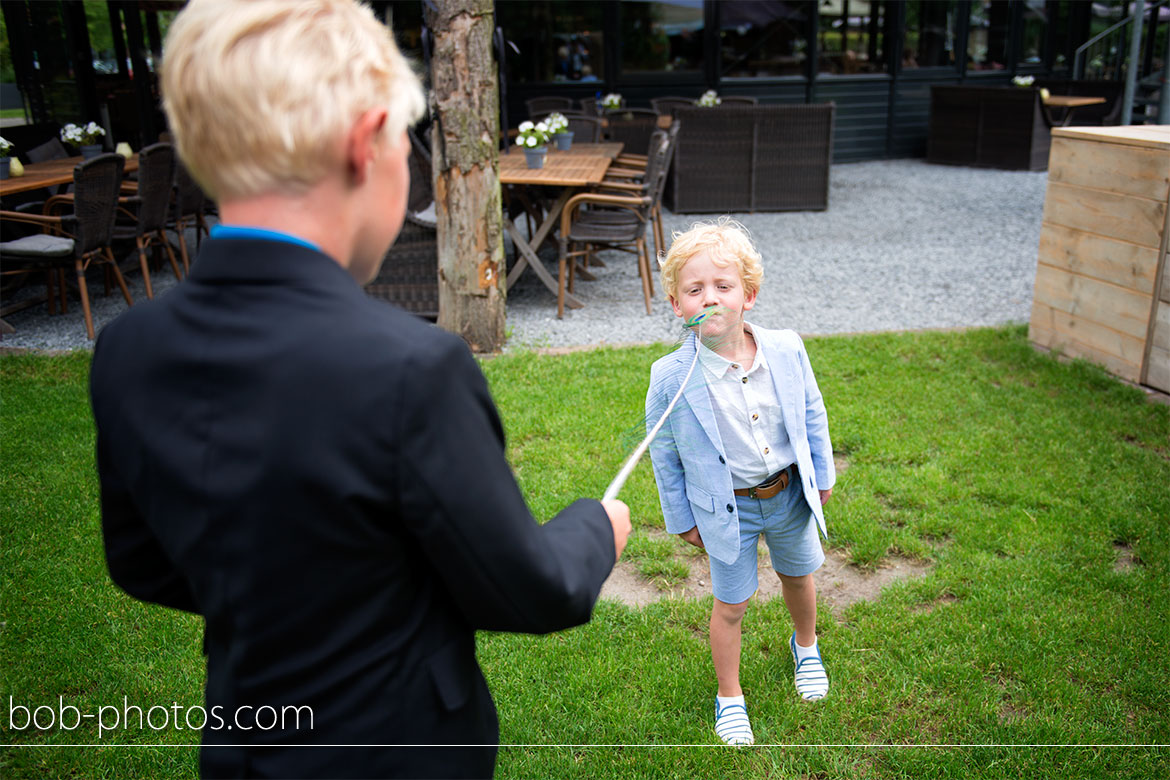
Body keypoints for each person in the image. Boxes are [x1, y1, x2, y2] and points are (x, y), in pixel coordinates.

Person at [89, 1, 631, 777]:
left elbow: (141, 562)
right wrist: (594, 527)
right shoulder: (414, 369)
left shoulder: (127, 350)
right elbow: (530, 593)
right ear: (361, 143)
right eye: (404, 144)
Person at [645, 218, 835, 747]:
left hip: (789, 493)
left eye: (723, 287)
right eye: (694, 289)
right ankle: (730, 696)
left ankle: (807, 646)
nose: (710, 298)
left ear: (747, 295)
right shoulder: (669, 377)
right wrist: (682, 520)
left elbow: (811, 412)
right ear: (678, 305)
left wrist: (821, 474)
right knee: (731, 604)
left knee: (799, 576)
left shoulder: (787, 348)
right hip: (727, 509)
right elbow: (665, 456)